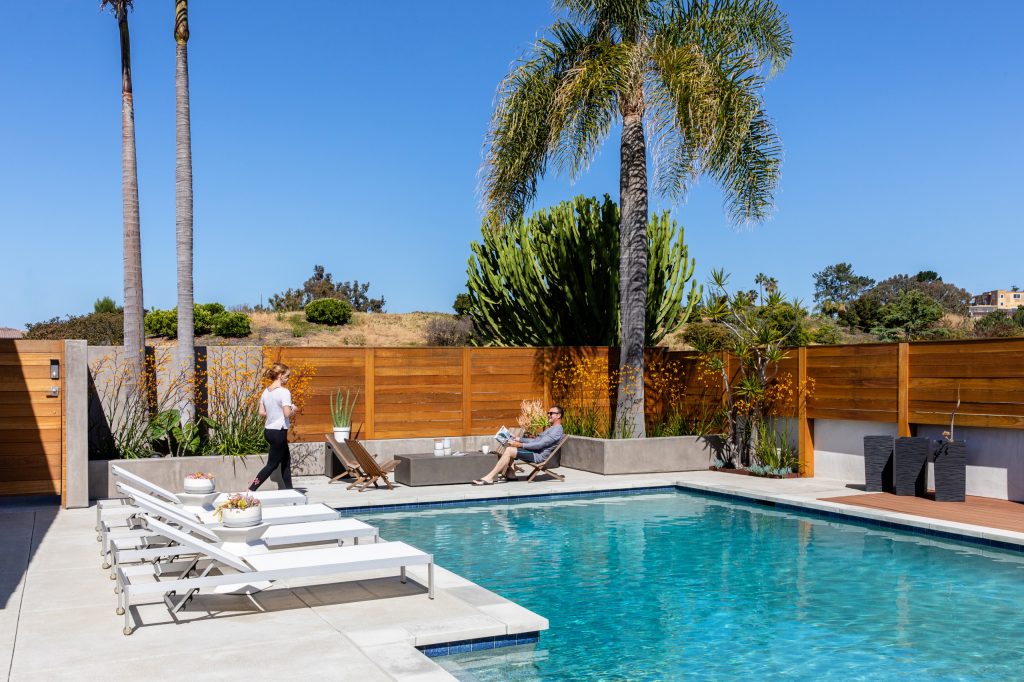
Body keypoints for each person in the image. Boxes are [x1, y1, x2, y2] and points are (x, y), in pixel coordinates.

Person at [472, 406, 564, 485]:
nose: (548, 415)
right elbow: (536, 440)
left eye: (551, 413)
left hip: (538, 456)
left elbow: (539, 445)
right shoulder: (552, 428)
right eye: (548, 413)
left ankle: (489, 478)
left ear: (558, 415)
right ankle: (511, 474)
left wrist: (520, 444)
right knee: (510, 446)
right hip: (534, 451)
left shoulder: (557, 431)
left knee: (509, 450)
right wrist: (518, 439)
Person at [250, 363, 294, 490]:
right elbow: (287, 413)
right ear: (280, 376)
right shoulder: (284, 392)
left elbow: (261, 412)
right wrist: (293, 408)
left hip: (268, 431)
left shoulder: (266, 391)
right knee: (272, 465)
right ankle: (250, 490)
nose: (288, 378)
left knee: (286, 461)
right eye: (287, 376)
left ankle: (290, 491)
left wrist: (275, 411)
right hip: (279, 432)